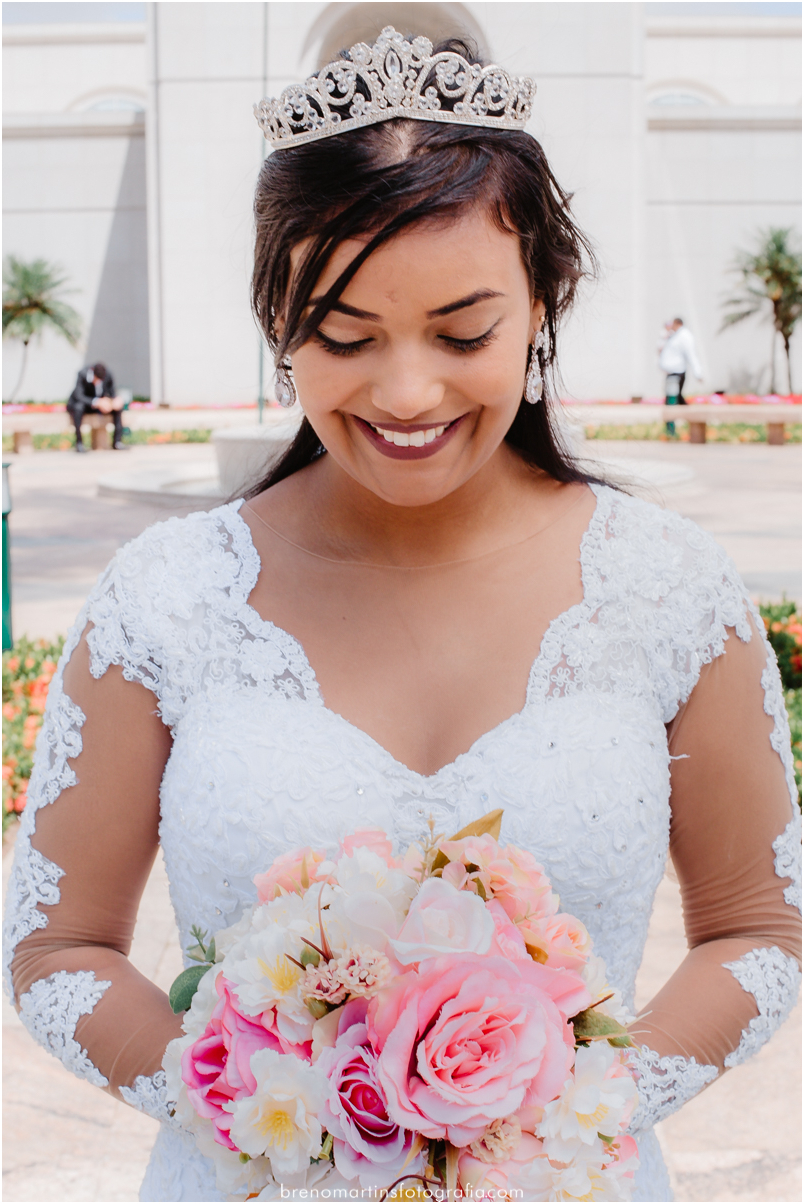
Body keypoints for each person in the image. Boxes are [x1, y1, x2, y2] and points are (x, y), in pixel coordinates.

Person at [4, 30, 800, 1204]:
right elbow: (58, 947)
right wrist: (270, 1106)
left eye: (463, 332)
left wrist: (568, 1107)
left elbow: (755, 926)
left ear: (545, 305)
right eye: (347, 335)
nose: (408, 392)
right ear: (281, 324)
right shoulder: (166, 597)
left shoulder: (671, 589)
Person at [66, 361, 128, 451]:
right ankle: (79, 443)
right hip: (85, 404)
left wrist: (114, 401)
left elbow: (112, 392)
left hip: (100, 406)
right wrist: (97, 402)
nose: (98, 382)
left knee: (118, 409)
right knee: (78, 408)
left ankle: (117, 442)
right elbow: (78, 396)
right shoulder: (83, 374)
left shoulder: (108, 374)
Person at [658, 318, 703, 436]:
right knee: (676, 399)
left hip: (676, 374)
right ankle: (692, 421)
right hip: (671, 373)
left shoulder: (684, 336)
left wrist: (698, 373)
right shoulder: (673, 336)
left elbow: (691, 354)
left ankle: (672, 430)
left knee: (672, 401)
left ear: (678, 323)